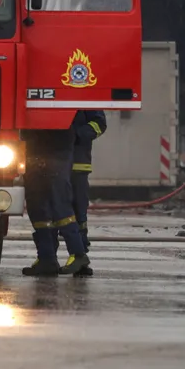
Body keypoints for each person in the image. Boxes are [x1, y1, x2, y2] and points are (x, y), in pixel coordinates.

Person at [21, 127, 90, 277]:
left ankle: (78, 254)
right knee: (39, 209)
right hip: (36, 149)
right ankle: (47, 259)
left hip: (55, 149)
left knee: (59, 205)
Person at [69, 110, 107, 268]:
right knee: (52, 213)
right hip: (53, 165)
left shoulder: (85, 96)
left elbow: (100, 124)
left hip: (78, 165)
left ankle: (80, 257)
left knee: (79, 213)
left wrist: (77, 135)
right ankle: (48, 258)